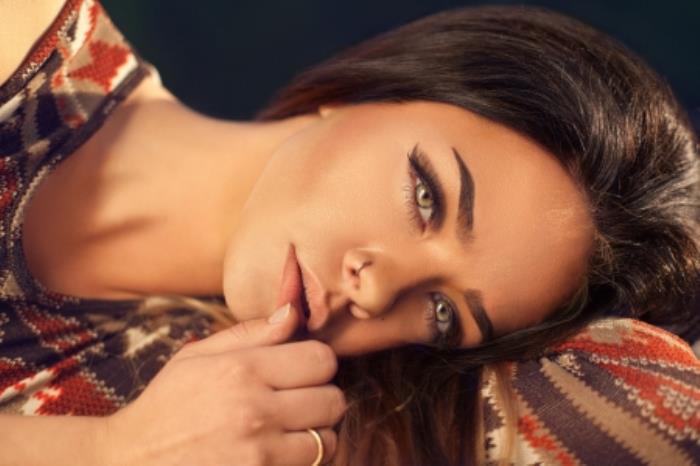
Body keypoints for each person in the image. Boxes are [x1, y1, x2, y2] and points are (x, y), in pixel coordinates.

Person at [0, 0, 698, 465]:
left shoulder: (216, 424)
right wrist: (105, 452)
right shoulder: (27, 36)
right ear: (367, 91)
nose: (380, 288)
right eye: (426, 197)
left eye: (443, 311)